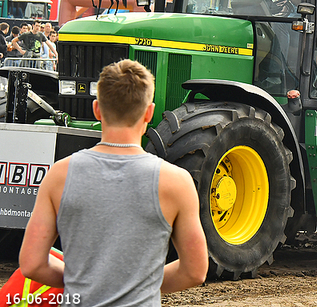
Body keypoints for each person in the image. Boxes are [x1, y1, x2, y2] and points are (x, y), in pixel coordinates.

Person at [19, 59, 209, 305]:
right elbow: (195, 270)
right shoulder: (177, 182)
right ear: (149, 112)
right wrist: (138, 286)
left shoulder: (60, 175)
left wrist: (87, 281)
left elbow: (32, 263)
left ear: (97, 109)